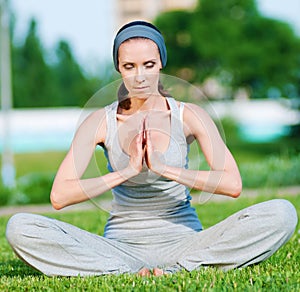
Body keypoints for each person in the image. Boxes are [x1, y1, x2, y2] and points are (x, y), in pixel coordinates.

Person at [6, 20, 297, 277]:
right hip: (119, 248)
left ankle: (180, 267)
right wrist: (128, 171)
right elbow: (59, 195)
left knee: (282, 213)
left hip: (186, 243)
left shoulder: (189, 115)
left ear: (161, 64)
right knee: (19, 227)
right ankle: (127, 270)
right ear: (119, 68)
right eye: (129, 67)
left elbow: (232, 184)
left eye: (149, 65)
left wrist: (166, 170)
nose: (140, 76)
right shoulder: (101, 122)